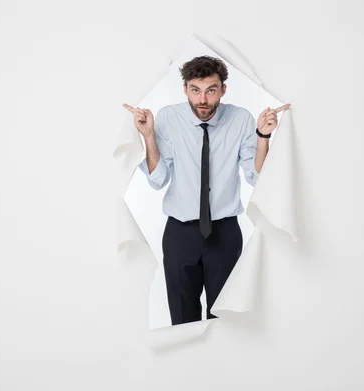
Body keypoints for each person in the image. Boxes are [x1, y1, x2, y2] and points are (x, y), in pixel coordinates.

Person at [122, 55, 290, 326]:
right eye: (195, 90)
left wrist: (263, 137)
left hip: (224, 234)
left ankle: (221, 368)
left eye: (211, 90)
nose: (203, 99)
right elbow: (158, 179)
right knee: (182, 321)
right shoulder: (168, 117)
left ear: (223, 89)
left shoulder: (240, 119)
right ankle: (187, 369)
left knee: (224, 321)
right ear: (185, 88)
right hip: (179, 234)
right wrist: (148, 137)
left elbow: (256, 177)